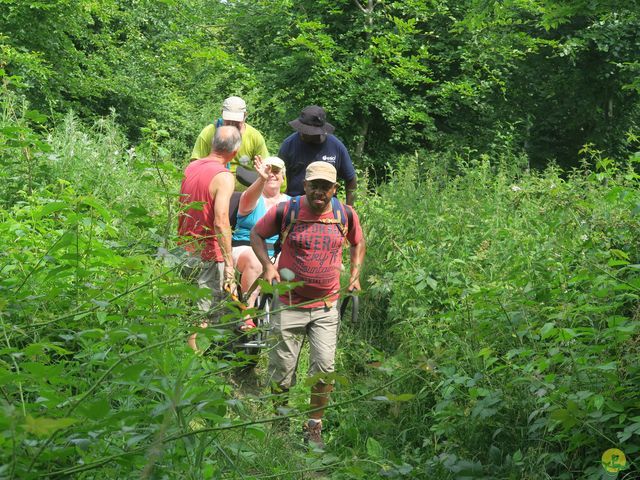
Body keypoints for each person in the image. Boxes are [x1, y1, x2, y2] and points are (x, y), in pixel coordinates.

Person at [250, 161, 366, 448]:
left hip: (326, 305)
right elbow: (257, 234)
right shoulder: (286, 210)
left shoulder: (344, 214)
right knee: (282, 370)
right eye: (314, 185)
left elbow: (358, 242)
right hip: (288, 304)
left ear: (334, 189)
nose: (319, 192)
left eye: (325, 187)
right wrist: (267, 266)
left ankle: (314, 426)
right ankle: (279, 421)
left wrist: (354, 275)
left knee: (324, 369)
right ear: (305, 185)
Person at [178, 126, 239, 352]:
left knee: (184, 310)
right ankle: (194, 366)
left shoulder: (191, 166)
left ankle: (179, 357)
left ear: (213, 144)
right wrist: (229, 264)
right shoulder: (223, 177)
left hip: (183, 250)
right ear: (235, 151)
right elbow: (221, 220)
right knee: (204, 314)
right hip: (207, 254)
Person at [232, 156, 289, 329]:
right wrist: (261, 179)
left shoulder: (290, 202)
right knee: (255, 260)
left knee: (290, 261)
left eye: (276, 171)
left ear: (283, 176)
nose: (272, 175)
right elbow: (251, 195)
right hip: (246, 247)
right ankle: (247, 312)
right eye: (267, 171)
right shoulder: (251, 197)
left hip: (276, 252)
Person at [278, 105, 357, 205]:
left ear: (318, 132)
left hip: (326, 205)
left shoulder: (336, 147)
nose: (301, 133)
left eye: (305, 131)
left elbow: (351, 179)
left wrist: (349, 208)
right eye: (300, 129)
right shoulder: (289, 145)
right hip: (296, 204)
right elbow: (280, 177)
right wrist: (284, 206)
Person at [191, 96, 269, 188]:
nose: (232, 125)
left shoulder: (254, 137)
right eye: (228, 122)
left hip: (244, 191)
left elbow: (265, 167)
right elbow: (195, 163)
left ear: (245, 116)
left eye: (236, 123)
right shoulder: (210, 132)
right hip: (214, 185)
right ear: (222, 114)